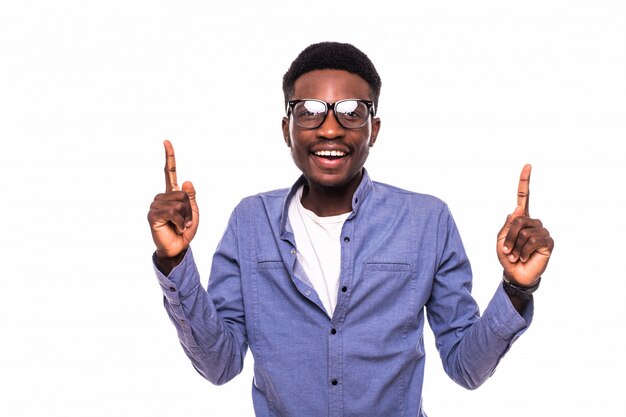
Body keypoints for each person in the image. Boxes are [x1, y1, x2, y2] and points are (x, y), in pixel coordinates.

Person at [147, 41, 554, 417]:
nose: (329, 128)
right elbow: (220, 364)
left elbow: (465, 366)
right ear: (286, 128)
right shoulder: (250, 221)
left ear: (373, 129)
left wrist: (517, 289)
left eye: (351, 111)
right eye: (309, 110)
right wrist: (175, 259)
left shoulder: (427, 220)